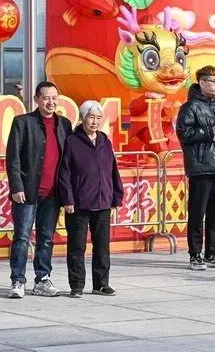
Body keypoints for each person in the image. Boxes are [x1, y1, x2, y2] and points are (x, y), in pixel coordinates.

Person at [5, 81, 73, 299]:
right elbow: (13, 158)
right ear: (36, 99)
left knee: (46, 238)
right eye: (46, 98)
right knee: (22, 237)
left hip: (53, 193)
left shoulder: (64, 124)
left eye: (54, 98)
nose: (51, 102)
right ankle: (17, 280)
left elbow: (68, 160)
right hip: (27, 192)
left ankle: (42, 279)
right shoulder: (23, 123)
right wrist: (16, 186)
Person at [58, 100, 124, 298]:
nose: (95, 122)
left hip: (103, 203)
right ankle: (77, 285)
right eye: (91, 117)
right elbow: (64, 173)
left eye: (98, 118)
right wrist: (68, 199)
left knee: (102, 246)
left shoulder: (105, 141)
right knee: (77, 246)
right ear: (83, 118)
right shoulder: (72, 141)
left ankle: (101, 284)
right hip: (79, 204)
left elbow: (113, 171)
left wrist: (116, 197)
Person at [176, 65, 215, 271]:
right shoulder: (189, 108)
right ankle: (195, 254)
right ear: (202, 83)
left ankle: (211, 252)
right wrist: (209, 131)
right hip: (201, 166)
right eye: (213, 82)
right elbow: (184, 134)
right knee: (198, 212)